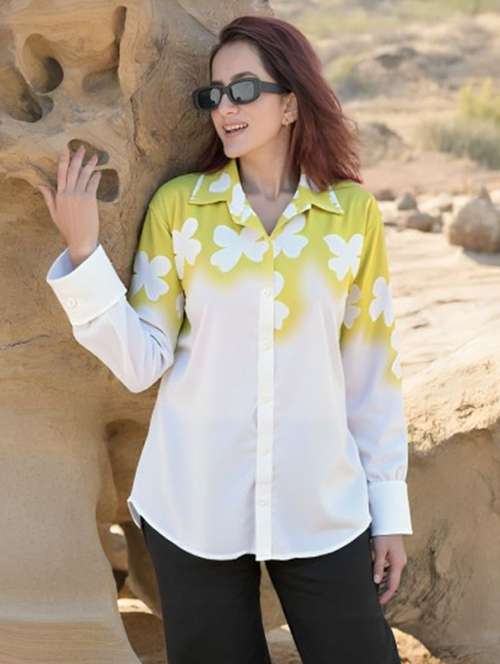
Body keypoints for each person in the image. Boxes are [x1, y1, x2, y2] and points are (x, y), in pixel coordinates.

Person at [40, 13, 412, 664]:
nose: (225, 108)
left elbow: (371, 374)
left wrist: (390, 512)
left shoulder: (352, 215)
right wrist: (82, 251)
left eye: (243, 90)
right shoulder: (180, 208)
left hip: (321, 504)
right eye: (215, 93)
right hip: (194, 505)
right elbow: (143, 360)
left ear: (291, 103)